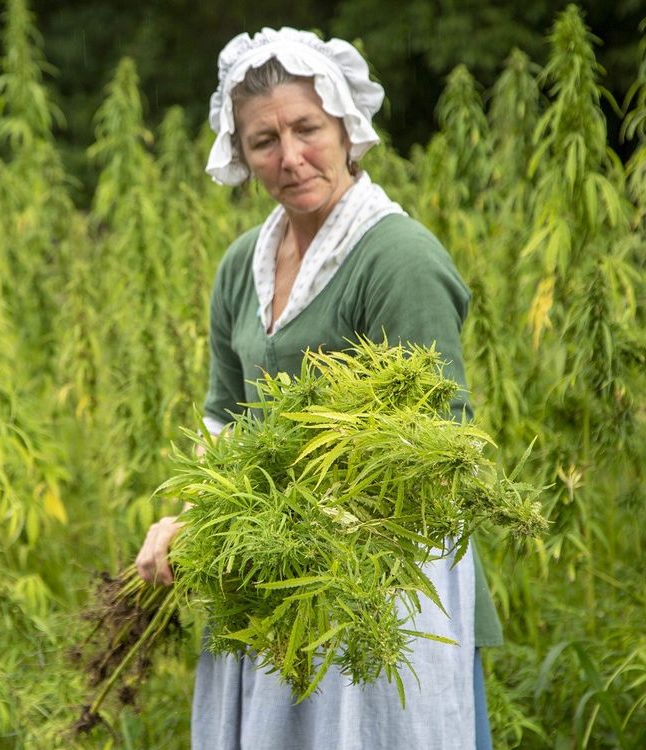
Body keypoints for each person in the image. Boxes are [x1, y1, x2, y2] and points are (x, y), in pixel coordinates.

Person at [134, 27, 500, 749]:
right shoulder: (243, 264)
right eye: (264, 139)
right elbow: (226, 416)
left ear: (347, 127)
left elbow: (438, 452)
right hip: (270, 575)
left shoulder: (398, 259)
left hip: (380, 593)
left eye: (307, 128)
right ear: (239, 153)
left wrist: (277, 520)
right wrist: (193, 517)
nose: (290, 157)